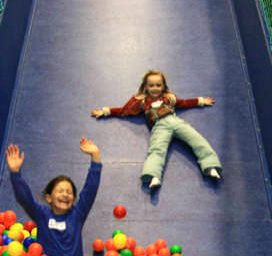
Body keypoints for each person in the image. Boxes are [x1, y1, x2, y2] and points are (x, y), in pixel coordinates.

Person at [91, 69, 221, 189]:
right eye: (151, 85)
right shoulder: (142, 102)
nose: (155, 88)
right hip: (159, 127)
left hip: (176, 122)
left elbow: (183, 103)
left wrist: (200, 101)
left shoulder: (168, 98)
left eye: (158, 85)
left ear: (163, 86)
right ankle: (153, 175)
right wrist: (106, 111)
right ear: (145, 87)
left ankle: (211, 166)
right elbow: (124, 110)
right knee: (157, 150)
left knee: (197, 140)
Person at [6, 138, 101, 256]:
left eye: (69, 192)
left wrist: (95, 157)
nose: (65, 195)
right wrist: (15, 173)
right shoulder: (42, 214)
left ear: (74, 199)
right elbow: (25, 198)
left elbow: (90, 190)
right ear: (49, 198)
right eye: (60, 191)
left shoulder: (77, 215)